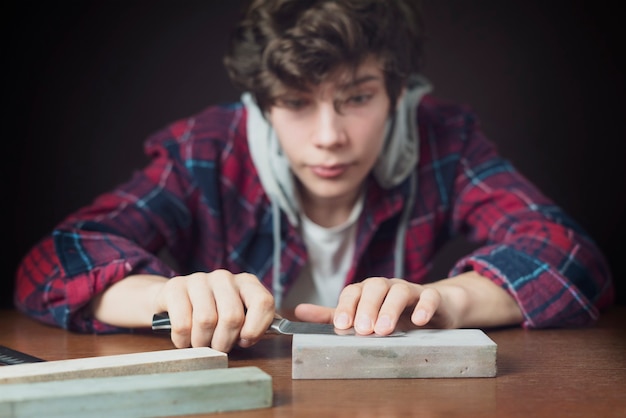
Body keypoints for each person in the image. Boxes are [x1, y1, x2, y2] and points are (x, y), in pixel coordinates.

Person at [14, 0, 614, 353]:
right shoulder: (207, 147)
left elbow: (570, 255)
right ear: (262, 106)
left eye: (356, 98)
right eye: (297, 104)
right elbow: (53, 261)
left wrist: (445, 302)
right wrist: (168, 296)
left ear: (398, 94)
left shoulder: (445, 140)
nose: (329, 135)